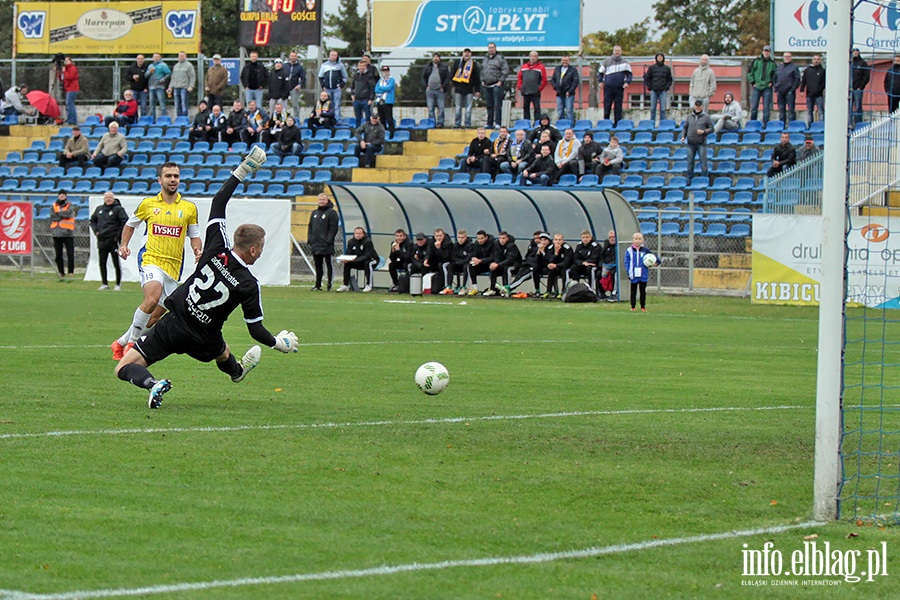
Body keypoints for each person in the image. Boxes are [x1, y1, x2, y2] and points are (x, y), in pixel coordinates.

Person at [114, 147, 300, 409]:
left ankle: (151, 383)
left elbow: (219, 201)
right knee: (222, 353)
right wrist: (279, 343)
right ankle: (237, 372)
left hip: (175, 324)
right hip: (205, 337)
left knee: (124, 367)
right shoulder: (248, 284)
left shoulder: (215, 247)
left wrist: (244, 169)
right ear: (255, 250)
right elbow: (256, 330)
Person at [110, 162, 202, 361]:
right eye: (168, 176)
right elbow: (130, 224)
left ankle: (119, 343)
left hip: (173, 267)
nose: (172, 180)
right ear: (160, 180)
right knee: (151, 298)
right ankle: (132, 344)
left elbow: (194, 235)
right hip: (150, 258)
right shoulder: (148, 204)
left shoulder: (189, 208)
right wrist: (124, 244)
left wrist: (197, 249)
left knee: (152, 318)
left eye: (176, 176)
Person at [90, 191, 128, 291]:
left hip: (113, 240)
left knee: (116, 263)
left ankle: (118, 284)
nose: (108, 199)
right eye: (107, 197)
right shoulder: (99, 209)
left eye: (110, 197)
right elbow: (92, 220)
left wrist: (118, 235)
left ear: (113, 198)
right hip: (102, 240)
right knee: (102, 263)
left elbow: (125, 221)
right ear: (104, 199)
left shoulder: (118, 209)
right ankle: (104, 283)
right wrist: (96, 232)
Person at [307, 192, 338, 291]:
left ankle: (329, 284)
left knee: (329, 264)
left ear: (327, 200)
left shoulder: (331, 213)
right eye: (320, 200)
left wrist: (328, 240)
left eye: (323, 200)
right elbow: (310, 227)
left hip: (326, 244)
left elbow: (333, 228)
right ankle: (318, 284)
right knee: (318, 265)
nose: (321, 201)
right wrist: (310, 239)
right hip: (316, 244)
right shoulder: (314, 213)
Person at [337, 227, 379, 292]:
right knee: (347, 264)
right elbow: (348, 253)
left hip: (373, 260)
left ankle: (369, 285)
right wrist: (345, 259)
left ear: (363, 234)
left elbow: (368, 255)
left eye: (359, 233)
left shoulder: (367, 241)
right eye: (356, 233)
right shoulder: (351, 242)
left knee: (367, 263)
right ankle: (345, 285)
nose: (358, 235)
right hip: (358, 261)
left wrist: (355, 260)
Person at [681, 100, 713, 184]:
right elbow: (685, 127)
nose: (697, 107)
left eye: (699, 105)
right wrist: (683, 136)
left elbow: (712, 129)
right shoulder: (689, 116)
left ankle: (704, 180)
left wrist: (703, 132)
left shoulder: (706, 117)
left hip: (701, 143)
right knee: (690, 163)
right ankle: (689, 180)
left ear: (702, 106)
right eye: (696, 105)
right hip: (690, 143)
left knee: (703, 163)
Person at [598, 45, 632, 125]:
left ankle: (617, 123)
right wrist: (600, 81)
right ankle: (606, 122)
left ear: (621, 52)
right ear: (613, 51)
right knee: (607, 105)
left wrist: (627, 82)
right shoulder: (606, 61)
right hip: (608, 87)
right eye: (615, 50)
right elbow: (600, 72)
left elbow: (629, 74)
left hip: (619, 87)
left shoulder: (625, 62)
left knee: (618, 106)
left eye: (618, 50)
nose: (617, 52)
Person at [508, 231, 550, 296]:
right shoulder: (532, 246)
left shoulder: (549, 248)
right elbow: (529, 256)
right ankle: (508, 287)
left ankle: (509, 287)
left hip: (538, 267)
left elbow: (545, 260)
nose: (536, 240)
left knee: (525, 275)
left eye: (538, 238)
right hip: (530, 264)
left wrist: (541, 253)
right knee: (519, 275)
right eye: (535, 238)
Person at [50, 191, 77, 279]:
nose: (61, 196)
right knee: (58, 254)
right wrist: (62, 215)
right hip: (56, 233)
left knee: (70, 253)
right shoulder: (54, 205)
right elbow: (52, 216)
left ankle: (71, 271)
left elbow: (69, 214)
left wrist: (59, 214)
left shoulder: (70, 205)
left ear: (65, 196)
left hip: (68, 233)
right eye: (60, 194)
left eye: (63, 194)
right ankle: (61, 271)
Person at [625, 232, 655, 312]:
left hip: (643, 274)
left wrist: (656, 262)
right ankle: (633, 306)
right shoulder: (629, 251)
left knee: (642, 291)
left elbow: (653, 257)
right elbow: (627, 262)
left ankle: (643, 306)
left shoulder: (645, 250)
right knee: (633, 291)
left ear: (642, 240)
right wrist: (628, 271)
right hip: (633, 274)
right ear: (633, 240)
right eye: (636, 239)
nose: (638, 241)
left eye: (639, 239)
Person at [482, 43, 509, 129]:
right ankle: (489, 123)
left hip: (496, 84)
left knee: (497, 105)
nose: (491, 49)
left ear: (495, 48)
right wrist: (482, 80)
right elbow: (482, 70)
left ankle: (498, 123)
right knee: (489, 105)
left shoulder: (500, 58)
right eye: (489, 48)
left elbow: (505, 70)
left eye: (492, 48)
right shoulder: (485, 58)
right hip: (486, 85)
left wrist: (500, 81)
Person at [486, 231, 522, 297]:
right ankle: (492, 289)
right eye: (500, 238)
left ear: (507, 238)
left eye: (503, 238)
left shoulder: (512, 246)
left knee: (507, 269)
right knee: (493, 268)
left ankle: (506, 289)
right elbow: (496, 256)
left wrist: (498, 264)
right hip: (502, 264)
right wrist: (495, 263)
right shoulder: (496, 244)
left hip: (514, 265)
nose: (501, 240)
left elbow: (510, 259)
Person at [451, 48, 480, 128]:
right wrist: (454, 85)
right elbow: (452, 74)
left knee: (468, 109)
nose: (466, 54)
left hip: (469, 89)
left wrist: (477, 90)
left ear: (470, 54)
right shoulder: (457, 63)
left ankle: (467, 124)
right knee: (458, 108)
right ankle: (457, 124)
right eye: (465, 52)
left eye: (468, 53)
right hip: (458, 89)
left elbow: (477, 78)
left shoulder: (473, 64)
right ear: (463, 53)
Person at [748, 45, 776, 125]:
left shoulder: (772, 63)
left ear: (770, 52)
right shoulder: (756, 61)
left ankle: (765, 124)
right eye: (765, 51)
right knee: (754, 107)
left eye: (768, 51)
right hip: (757, 87)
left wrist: (772, 82)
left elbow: (775, 75)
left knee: (766, 107)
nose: (766, 52)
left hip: (767, 87)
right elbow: (750, 72)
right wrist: (753, 82)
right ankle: (753, 123)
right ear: (762, 52)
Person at [465, 230, 499, 295]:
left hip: (490, 264)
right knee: (470, 265)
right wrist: (473, 258)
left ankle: (492, 289)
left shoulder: (493, 243)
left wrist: (480, 260)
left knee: (492, 266)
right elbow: (473, 254)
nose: (480, 240)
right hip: (481, 264)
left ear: (486, 237)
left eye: (481, 238)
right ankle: (475, 288)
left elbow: (493, 257)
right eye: (478, 239)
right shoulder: (476, 244)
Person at [318, 50, 348, 122]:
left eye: (335, 55)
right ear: (329, 56)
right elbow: (320, 76)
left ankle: (337, 119)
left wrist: (341, 85)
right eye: (332, 55)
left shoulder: (340, 65)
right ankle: (328, 119)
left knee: (336, 105)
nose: (333, 57)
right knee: (327, 104)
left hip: (336, 89)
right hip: (327, 89)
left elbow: (345, 77)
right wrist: (323, 86)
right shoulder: (324, 65)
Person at [422, 53, 450, 128]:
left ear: (439, 58)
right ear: (432, 58)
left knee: (441, 108)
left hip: (440, 90)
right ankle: (432, 123)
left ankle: (440, 123)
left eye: (437, 57)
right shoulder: (428, 66)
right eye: (434, 57)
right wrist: (426, 86)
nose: (436, 58)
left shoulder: (444, 67)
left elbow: (448, 77)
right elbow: (423, 77)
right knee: (430, 108)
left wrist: (443, 86)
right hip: (430, 90)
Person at [517, 51, 547, 122]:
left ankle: (537, 123)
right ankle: (526, 123)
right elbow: (519, 77)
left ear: (537, 57)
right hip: (526, 91)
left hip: (535, 92)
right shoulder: (524, 66)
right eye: (531, 56)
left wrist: (539, 89)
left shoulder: (541, 67)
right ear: (529, 57)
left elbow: (544, 80)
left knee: (537, 108)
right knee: (525, 108)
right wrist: (520, 87)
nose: (533, 58)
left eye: (534, 56)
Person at [774, 52, 801, 125]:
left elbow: (797, 79)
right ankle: (781, 126)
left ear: (791, 57)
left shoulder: (794, 67)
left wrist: (792, 89)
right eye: (785, 56)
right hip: (780, 92)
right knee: (781, 110)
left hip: (790, 92)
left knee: (791, 111)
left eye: (788, 56)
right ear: (783, 57)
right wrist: (776, 89)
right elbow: (775, 78)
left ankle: (792, 126)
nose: (787, 58)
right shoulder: (779, 67)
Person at [645, 53, 672, 124]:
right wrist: (650, 87)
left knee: (663, 109)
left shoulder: (667, 68)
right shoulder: (651, 68)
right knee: (653, 108)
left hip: (663, 91)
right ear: (656, 58)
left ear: (663, 58)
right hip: (653, 90)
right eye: (658, 57)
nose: (660, 58)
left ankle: (662, 123)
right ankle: (652, 123)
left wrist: (667, 87)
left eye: (661, 57)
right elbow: (647, 78)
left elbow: (669, 79)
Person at [544, 233, 573, 298]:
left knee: (564, 271)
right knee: (551, 271)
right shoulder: (550, 248)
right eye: (556, 240)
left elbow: (567, 262)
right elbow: (549, 260)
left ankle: (564, 291)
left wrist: (556, 265)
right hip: (555, 266)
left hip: (566, 267)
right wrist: (556, 253)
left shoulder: (567, 248)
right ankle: (549, 291)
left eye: (559, 240)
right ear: (553, 241)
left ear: (563, 241)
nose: (558, 242)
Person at [551, 54, 578, 123]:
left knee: (569, 110)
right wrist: (556, 88)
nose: (565, 62)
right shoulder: (557, 69)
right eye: (563, 60)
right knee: (560, 110)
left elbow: (575, 81)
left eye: (566, 60)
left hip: (569, 94)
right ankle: (561, 124)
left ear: (569, 61)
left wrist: (570, 90)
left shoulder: (573, 70)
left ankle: (570, 125)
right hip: (559, 93)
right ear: (561, 61)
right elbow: (553, 80)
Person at [426, 228, 454, 294]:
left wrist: (439, 248)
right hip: (436, 262)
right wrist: (426, 259)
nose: (438, 238)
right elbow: (429, 252)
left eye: (440, 236)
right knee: (425, 264)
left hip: (448, 262)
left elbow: (446, 257)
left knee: (443, 265)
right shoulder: (431, 242)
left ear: (443, 235)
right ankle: (426, 287)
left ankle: (446, 287)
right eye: (437, 236)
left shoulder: (448, 243)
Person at [168, 51, 196, 118]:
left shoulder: (189, 65)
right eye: (180, 56)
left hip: (184, 88)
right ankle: (178, 119)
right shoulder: (176, 66)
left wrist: (191, 86)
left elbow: (192, 76)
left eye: (183, 56)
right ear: (178, 57)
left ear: (185, 57)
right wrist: (170, 87)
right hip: (176, 88)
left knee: (184, 104)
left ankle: (184, 118)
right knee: (177, 105)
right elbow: (173, 78)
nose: (181, 57)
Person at [800, 54, 825, 126]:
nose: (816, 61)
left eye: (818, 59)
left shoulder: (823, 71)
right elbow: (804, 81)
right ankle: (810, 126)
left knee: (820, 111)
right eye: (815, 59)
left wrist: (819, 90)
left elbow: (824, 83)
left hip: (819, 95)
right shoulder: (807, 70)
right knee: (809, 111)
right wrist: (802, 90)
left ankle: (821, 125)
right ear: (812, 60)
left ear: (820, 61)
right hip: (809, 95)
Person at [146, 53, 171, 119]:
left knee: (162, 105)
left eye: (157, 57)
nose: (156, 58)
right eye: (154, 57)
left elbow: (168, 73)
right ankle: (152, 120)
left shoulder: (163, 65)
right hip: (151, 87)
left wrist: (163, 79)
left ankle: (164, 119)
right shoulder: (150, 66)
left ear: (160, 58)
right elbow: (145, 76)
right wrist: (149, 72)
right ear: (152, 58)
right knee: (151, 105)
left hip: (160, 87)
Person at [451, 230, 475, 294]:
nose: (460, 239)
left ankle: (464, 287)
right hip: (458, 264)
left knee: (466, 266)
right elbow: (453, 257)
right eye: (459, 237)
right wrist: (458, 261)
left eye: (462, 238)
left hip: (466, 265)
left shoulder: (470, 245)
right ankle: (448, 287)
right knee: (448, 266)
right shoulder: (455, 245)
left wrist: (461, 261)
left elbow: (469, 258)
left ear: (466, 237)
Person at [374, 65, 397, 135]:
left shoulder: (391, 80)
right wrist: (383, 88)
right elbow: (376, 89)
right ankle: (383, 133)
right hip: (380, 101)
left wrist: (381, 88)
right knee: (381, 118)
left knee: (389, 118)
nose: (385, 72)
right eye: (384, 71)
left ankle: (392, 133)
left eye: (386, 71)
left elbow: (389, 88)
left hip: (388, 101)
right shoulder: (380, 80)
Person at [851, 48, 870, 126]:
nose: (855, 53)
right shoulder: (849, 62)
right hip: (849, 89)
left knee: (858, 107)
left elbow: (866, 76)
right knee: (848, 108)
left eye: (856, 51)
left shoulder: (863, 63)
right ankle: (848, 123)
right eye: (853, 52)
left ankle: (858, 124)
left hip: (858, 89)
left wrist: (861, 86)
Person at [285, 51, 307, 118]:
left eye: (294, 56)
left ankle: (296, 119)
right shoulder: (285, 66)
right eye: (291, 56)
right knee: (283, 105)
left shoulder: (300, 67)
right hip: (284, 88)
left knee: (295, 105)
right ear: (289, 57)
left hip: (294, 88)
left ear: (296, 57)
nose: (293, 57)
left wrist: (299, 85)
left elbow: (303, 78)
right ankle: (284, 119)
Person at [598, 230, 618, 301]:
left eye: (613, 237)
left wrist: (610, 265)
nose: (612, 239)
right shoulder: (606, 246)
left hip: (615, 266)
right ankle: (602, 293)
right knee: (598, 273)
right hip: (606, 266)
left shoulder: (618, 247)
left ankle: (614, 293)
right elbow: (601, 257)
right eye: (610, 237)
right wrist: (602, 265)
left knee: (613, 273)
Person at [62, 56, 79, 125]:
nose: (66, 62)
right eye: (65, 61)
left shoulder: (72, 68)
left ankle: (72, 120)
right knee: (69, 104)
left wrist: (65, 72)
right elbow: (62, 78)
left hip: (72, 88)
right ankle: (71, 119)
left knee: (70, 105)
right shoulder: (66, 69)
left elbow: (70, 77)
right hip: (69, 88)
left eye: (67, 60)